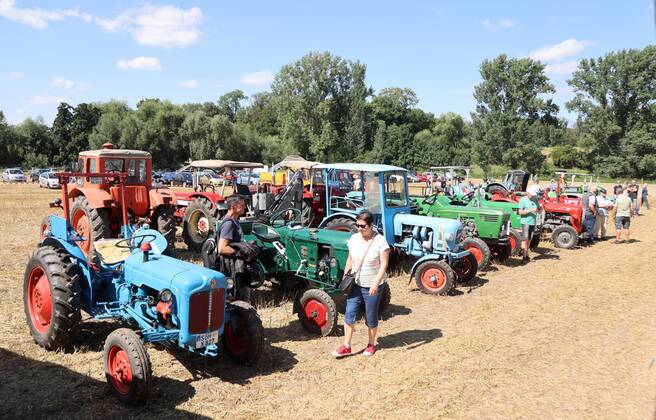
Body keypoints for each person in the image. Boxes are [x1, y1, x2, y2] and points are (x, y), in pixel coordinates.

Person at [332, 210, 390, 358]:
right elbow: (350, 259)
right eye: (358, 225)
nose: (360, 228)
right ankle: (346, 345)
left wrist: (375, 284)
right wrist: (346, 275)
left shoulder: (380, 241)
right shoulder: (354, 239)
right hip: (356, 284)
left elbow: (384, 265)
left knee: (370, 316)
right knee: (349, 314)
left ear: (371, 226)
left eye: (363, 226)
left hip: (372, 285)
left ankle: (371, 344)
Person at [217, 194, 254, 302]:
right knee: (238, 299)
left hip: (236, 265)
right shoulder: (229, 224)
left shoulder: (235, 221)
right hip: (231, 268)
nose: (245, 207)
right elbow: (222, 248)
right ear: (233, 207)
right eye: (242, 205)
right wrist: (242, 251)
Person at [517, 185, 540, 264]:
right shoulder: (523, 200)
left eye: (533, 195)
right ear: (528, 193)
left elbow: (538, 211)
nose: (532, 196)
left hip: (532, 222)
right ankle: (524, 256)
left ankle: (526, 254)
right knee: (525, 239)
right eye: (531, 194)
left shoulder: (535, 200)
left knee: (529, 239)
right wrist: (531, 210)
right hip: (525, 222)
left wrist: (541, 209)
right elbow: (520, 212)